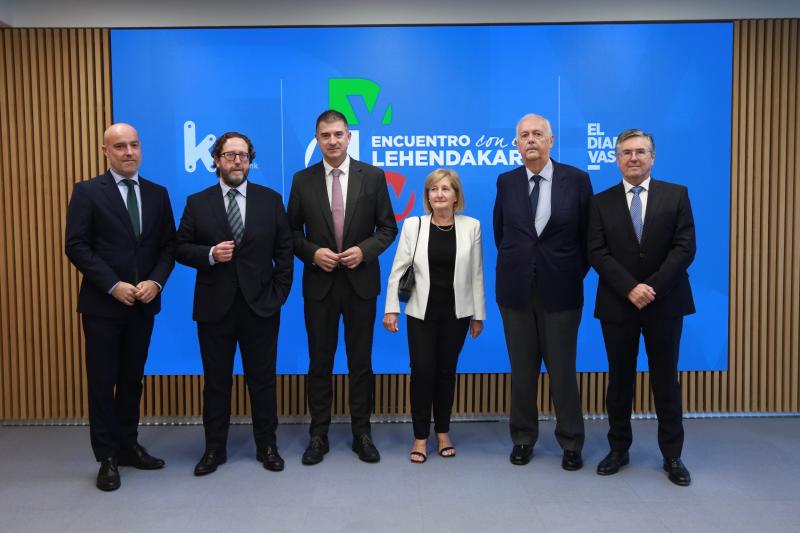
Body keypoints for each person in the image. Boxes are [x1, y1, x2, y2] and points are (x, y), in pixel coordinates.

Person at [65, 123, 176, 491]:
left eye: (134, 145)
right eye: (120, 146)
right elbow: (77, 245)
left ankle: (128, 445)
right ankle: (107, 458)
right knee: (102, 383)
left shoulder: (158, 194)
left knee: (132, 380)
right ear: (105, 151)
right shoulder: (87, 192)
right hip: (103, 307)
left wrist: (154, 282)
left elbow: (167, 247)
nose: (129, 152)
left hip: (143, 305)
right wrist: (113, 286)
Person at [175, 132, 293, 476]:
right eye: (229, 155)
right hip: (214, 309)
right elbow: (179, 247)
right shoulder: (197, 202)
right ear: (216, 160)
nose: (237, 161)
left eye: (243, 155)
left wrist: (278, 295)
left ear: (250, 160)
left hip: (261, 307)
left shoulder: (270, 201)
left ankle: (267, 446)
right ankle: (214, 450)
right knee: (216, 382)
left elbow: (284, 254)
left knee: (263, 380)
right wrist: (209, 254)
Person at [288, 109, 398, 465]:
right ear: (316, 139)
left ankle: (361, 433)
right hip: (319, 285)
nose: (333, 141)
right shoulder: (302, 180)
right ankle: (318, 435)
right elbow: (289, 234)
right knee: (319, 362)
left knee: (360, 362)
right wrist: (312, 252)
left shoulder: (374, 177)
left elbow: (387, 229)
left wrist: (364, 252)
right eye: (325, 135)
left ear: (349, 137)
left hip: (360, 284)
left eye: (338, 134)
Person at [587, 129, 695, 486]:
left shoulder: (676, 195)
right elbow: (596, 252)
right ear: (616, 158)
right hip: (618, 304)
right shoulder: (600, 201)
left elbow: (684, 248)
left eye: (640, 152)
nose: (633, 158)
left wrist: (651, 288)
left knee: (666, 380)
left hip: (665, 302)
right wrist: (630, 288)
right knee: (619, 380)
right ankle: (618, 448)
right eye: (626, 152)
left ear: (652, 157)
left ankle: (673, 455)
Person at [493, 113, 592, 470]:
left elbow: (587, 239)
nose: (531, 139)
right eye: (524, 135)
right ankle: (522, 438)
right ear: (516, 144)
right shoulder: (505, 182)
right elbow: (501, 234)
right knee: (522, 371)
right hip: (516, 291)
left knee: (563, 370)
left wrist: (564, 272)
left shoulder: (577, 180)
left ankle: (571, 441)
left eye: (538, 134)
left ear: (551, 141)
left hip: (562, 291)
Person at [383, 169, 485, 463]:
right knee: (423, 372)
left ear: (456, 196)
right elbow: (399, 269)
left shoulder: (472, 226)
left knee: (445, 373)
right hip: (420, 312)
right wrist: (391, 308)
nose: (439, 194)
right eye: (433, 190)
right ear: (427, 196)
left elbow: (477, 272)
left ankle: (443, 432)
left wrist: (479, 314)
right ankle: (420, 436)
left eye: (446, 189)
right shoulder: (413, 225)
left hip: (458, 313)